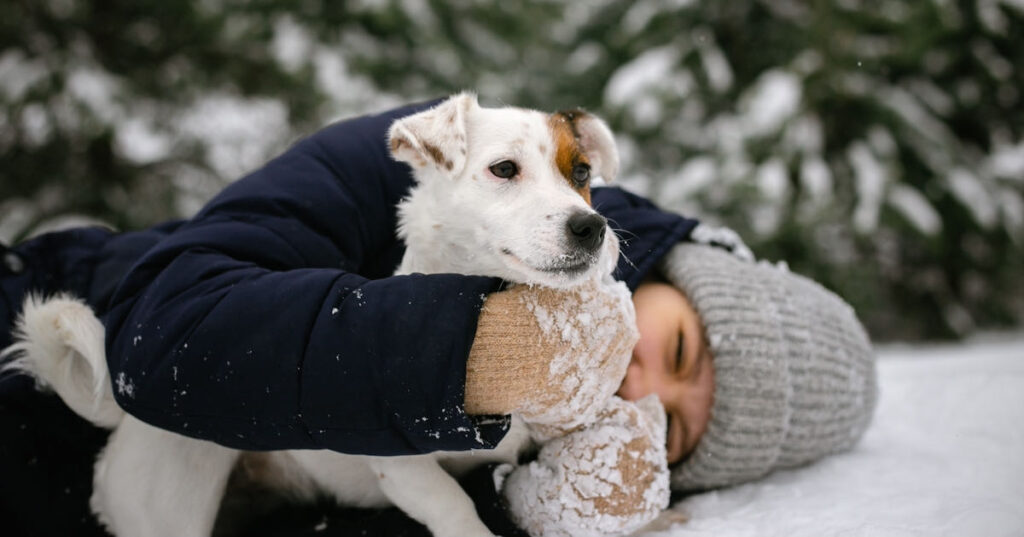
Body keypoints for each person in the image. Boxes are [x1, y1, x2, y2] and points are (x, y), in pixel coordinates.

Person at [0, 99, 876, 537]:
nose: (646, 386)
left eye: (678, 427)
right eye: (677, 345)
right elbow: (181, 327)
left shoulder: (587, 396)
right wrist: (463, 355)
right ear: (673, 275)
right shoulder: (444, 170)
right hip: (92, 346)